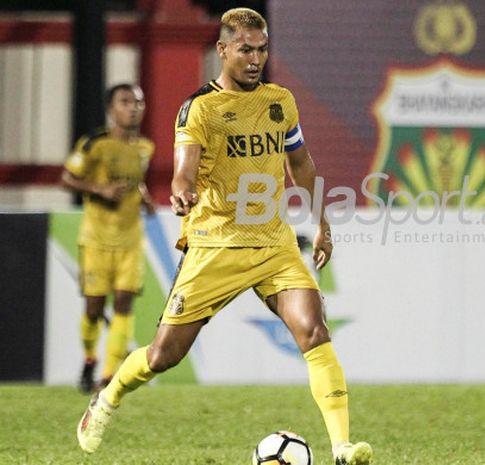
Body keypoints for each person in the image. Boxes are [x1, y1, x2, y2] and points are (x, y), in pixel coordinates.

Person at [76, 8, 373, 465]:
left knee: (313, 331)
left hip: (274, 243)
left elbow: (302, 166)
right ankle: (108, 396)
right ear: (222, 50)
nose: (255, 59)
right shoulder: (200, 109)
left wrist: (322, 223)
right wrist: (181, 193)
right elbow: (182, 173)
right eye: (245, 50)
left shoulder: (281, 101)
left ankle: (341, 447)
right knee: (162, 357)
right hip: (215, 245)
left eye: (262, 49)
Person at [62, 83, 156, 393]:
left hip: (130, 238)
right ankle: (90, 358)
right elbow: (68, 178)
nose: (133, 108)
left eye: (138, 102)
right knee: (93, 307)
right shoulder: (94, 144)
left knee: (125, 302)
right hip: (97, 238)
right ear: (111, 108)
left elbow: (136, 181)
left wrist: (144, 198)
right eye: (126, 102)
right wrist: (100, 189)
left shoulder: (145, 148)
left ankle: (108, 374)